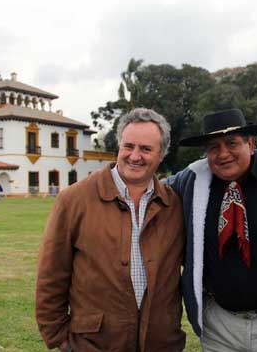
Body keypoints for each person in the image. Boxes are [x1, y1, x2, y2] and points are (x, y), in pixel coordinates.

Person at [36, 108, 185, 352]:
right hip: (95, 345)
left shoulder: (173, 205)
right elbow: (51, 275)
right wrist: (60, 339)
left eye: (146, 149)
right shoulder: (74, 200)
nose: (134, 156)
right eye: (128, 146)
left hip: (161, 343)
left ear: (161, 155)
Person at [167, 108, 257, 352]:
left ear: (251, 144)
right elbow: (147, 190)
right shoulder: (190, 181)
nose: (223, 154)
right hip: (220, 327)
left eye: (232, 143)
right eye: (213, 147)